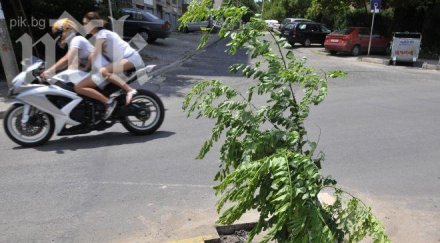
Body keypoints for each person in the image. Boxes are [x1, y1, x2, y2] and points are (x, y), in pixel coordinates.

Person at [75, 11, 145, 119]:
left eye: (85, 23)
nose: (83, 26)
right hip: (128, 58)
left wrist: (86, 70)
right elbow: (94, 55)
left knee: (104, 71)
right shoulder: (102, 34)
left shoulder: (102, 34)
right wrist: (84, 68)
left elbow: (95, 55)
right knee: (102, 72)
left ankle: (128, 91)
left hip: (130, 58)